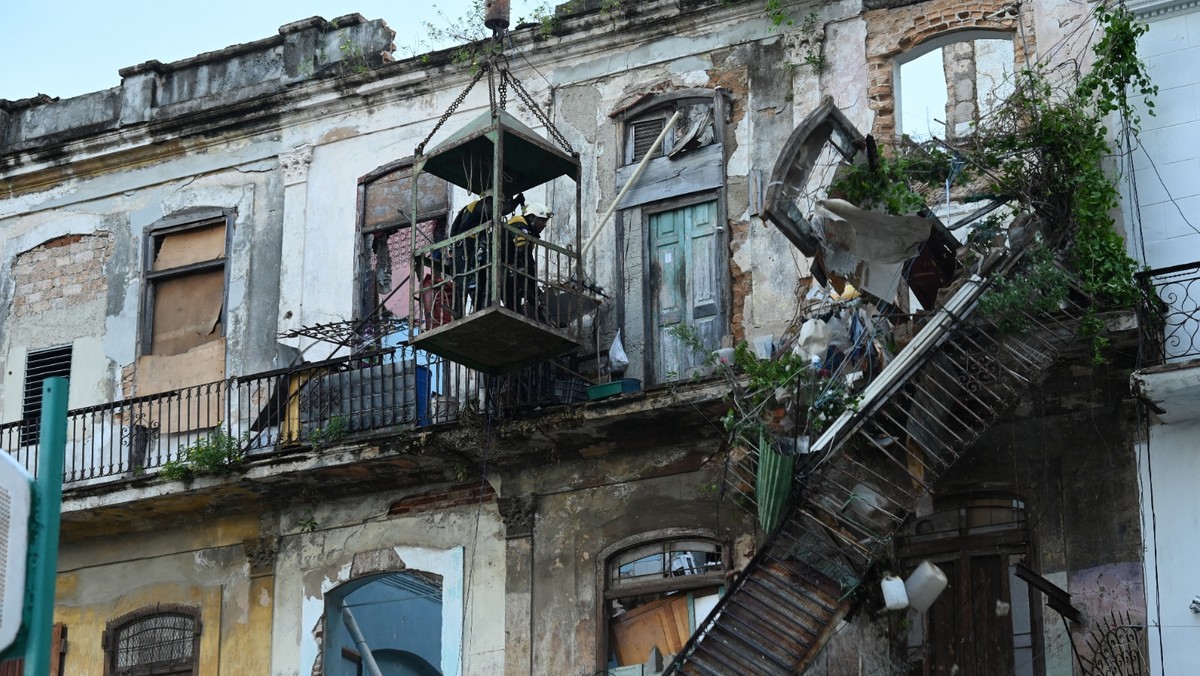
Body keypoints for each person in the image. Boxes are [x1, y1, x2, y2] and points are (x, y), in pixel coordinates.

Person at [447, 191, 523, 316]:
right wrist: (515, 202)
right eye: (499, 203)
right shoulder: (479, 206)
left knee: (476, 281)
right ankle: (458, 312)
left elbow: (454, 228)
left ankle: (476, 310)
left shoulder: (472, 210)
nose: (499, 206)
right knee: (463, 281)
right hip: (463, 248)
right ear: (490, 199)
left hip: (470, 249)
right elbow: (496, 210)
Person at [503, 202, 552, 318]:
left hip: (507, 269)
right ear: (532, 217)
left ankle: (542, 314)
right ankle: (540, 311)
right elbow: (523, 254)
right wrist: (533, 283)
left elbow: (526, 259)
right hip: (498, 267)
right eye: (542, 220)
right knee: (523, 279)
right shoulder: (519, 222)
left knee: (516, 299)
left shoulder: (530, 234)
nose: (544, 225)